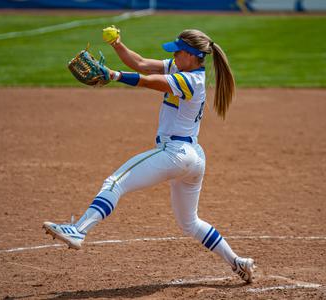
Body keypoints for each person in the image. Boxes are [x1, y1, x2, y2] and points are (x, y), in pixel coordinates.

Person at [43, 27, 255, 283]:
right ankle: (237, 262)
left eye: (178, 51)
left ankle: (78, 230)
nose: (174, 54)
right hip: (193, 157)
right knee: (190, 223)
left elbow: (148, 81)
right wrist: (117, 44)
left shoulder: (191, 81)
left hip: (174, 154)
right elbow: (141, 63)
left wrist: (114, 75)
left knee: (114, 182)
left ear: (191, 55)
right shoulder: (180, 68)